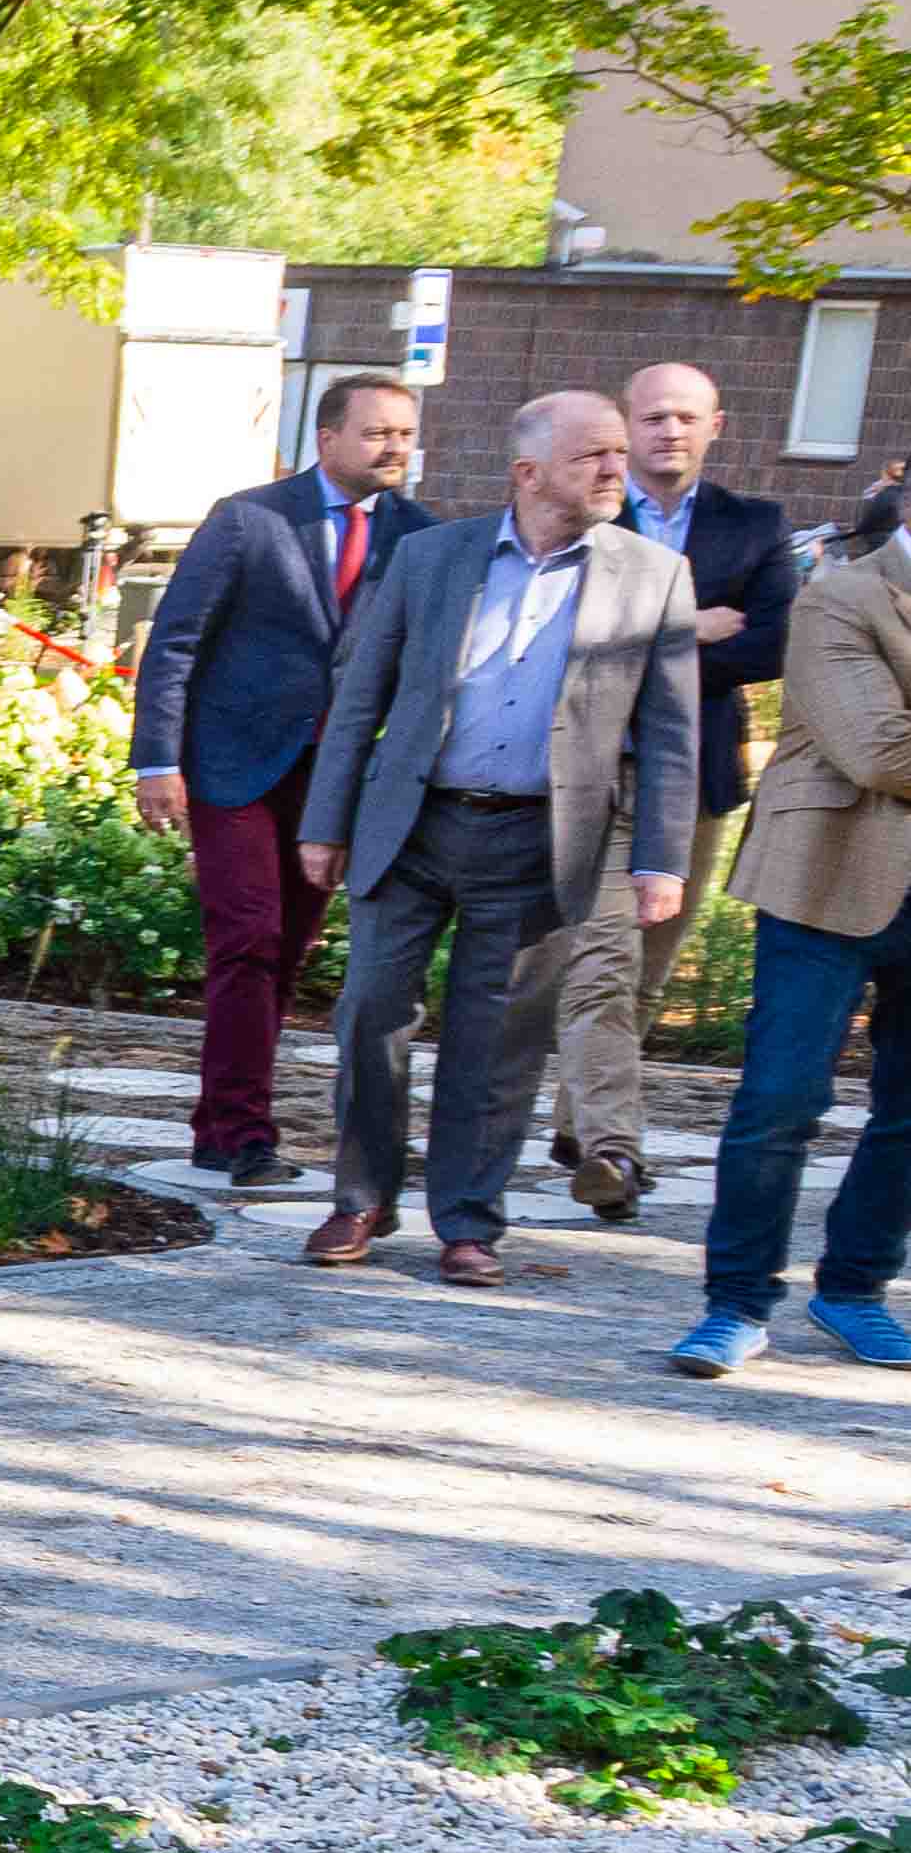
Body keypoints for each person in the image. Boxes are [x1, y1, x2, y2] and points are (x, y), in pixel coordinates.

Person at [297, 388, 700, 1289]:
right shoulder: (429, 556)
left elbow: (672, 730)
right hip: (412, 824)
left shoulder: (650, 575)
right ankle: (360, 1197)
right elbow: (361, 695)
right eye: (591, 455)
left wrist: (660, 858)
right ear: (527, 471)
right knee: (369, 1011)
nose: (613, 469)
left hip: (539, 839)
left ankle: (468, 1222)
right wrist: (324, 822)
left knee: (499, 1039)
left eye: (616, 454)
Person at [131, 376, 419, 1187]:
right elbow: (176, 641)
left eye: (403, 433)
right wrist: (159, 761)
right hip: (234, 768)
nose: (394, 447)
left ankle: (218, 1127)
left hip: (335, 781)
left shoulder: (418, 537)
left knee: (286, 951)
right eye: (376, 433)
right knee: (247, 939)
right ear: (327, 438)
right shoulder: (249, 519)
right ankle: (245, 1131)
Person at [551, 359, 797, 1219]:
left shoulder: (752, 527)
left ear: (714, 426)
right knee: (592, 962)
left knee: (646, 967)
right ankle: (611, 1145)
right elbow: (559, 634)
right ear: (627, 420)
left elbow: (769, 647)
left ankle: (577, 1119)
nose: (668, 432)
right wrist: (688, 627)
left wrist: (635, 643)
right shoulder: (581, 509)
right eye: (652, 417)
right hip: (576, 769)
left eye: (686, 417)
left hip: (689, 771)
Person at [671, 508, 911, 1376]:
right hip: (826, 876)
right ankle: (734, 1305)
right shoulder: (842, 597)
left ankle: (853, 1291)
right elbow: (880, 750)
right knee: (780, 1100)